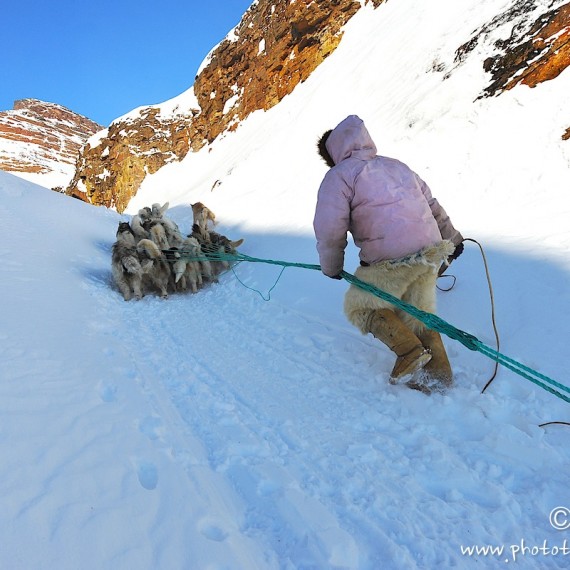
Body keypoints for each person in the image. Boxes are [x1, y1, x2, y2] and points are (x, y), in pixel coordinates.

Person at [313, 115, 463, 393]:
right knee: (419, 312)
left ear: (334, 152)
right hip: (431, 249)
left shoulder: (339, 175)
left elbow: (329, 227)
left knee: (361, 306)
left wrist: (331, 267)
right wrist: (453, 240)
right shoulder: (397, 166)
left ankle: (409, 352)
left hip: (390, 256)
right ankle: (440, 377)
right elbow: (432, 205)